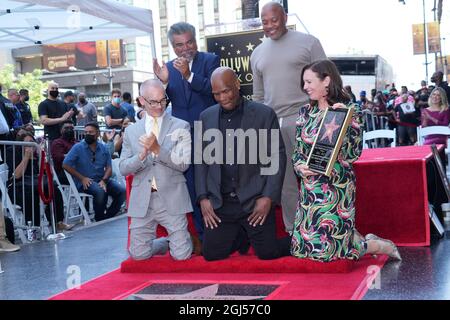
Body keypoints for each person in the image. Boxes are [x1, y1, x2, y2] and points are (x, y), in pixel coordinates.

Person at [292, 59, 401, 262]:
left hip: (336, 186)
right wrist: (299, 167)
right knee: (302, 250)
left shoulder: (349, 110)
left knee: (329, 253)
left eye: (308, 82)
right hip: (309, 187)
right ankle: (354, 237)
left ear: (326, 80)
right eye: (304, 83)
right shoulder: (305, 113)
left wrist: (347, 123)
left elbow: (353, 155)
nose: (305, 87)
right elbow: (297, 152)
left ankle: (375, 245)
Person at [195, 67, 291, 261]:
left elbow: (277, 158)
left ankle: (302, 240)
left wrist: (267, 198)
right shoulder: (206, 117)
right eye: (216, 94)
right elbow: (200, 161)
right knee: (212, 254)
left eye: (226, 91)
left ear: (238, 85)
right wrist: (203, 198)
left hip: (254, 200)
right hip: (221, 203)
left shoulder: (264, 114)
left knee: (268, 253)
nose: (222, 98)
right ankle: (243, 236)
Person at [250, 2, 327, 234]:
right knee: (283, 183)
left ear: (284, 17)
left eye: (274, 20)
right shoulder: (257, 53)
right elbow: (258, 95)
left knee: (314, 176)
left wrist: (322, 115)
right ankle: (295, 232)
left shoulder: (308, 42)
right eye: (265, 22)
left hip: (306, 118)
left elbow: (327, 79)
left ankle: (322, 227)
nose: (270, 25)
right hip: (273, 123)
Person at [153, 22, 220, 245]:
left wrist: (189, 75)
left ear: (195, 40)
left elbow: (213, 89)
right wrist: (162, 83)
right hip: (183, 138)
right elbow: (162, 103)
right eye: (179, 45)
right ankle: (203, 237)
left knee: (216, 182)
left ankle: (224, 233)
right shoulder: (168, 69)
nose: (185, 48)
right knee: (192, 186)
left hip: (211, 133)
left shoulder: (211, 60)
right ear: (173, 47)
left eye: (189, 42)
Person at [119, 79, 193, 261]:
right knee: (138, 256)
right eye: (153, 101)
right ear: (141, 100)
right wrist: (141, 156)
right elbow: (122, 168)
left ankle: (182, 241)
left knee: (182, 256)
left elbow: (183, 164)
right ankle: (164, 243)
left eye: (163, 100)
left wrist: (158, 149)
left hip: (171, 195)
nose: (160, 106)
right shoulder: (131, 131)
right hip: (142, 199)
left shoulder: (180, 126)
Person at [5, 131, 71, 231]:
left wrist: (41, 156)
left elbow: (45, 174)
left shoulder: (37, 155)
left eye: (32, 142)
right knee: (31, 196)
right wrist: (26, 157)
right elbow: (17, 176)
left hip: (36, 185)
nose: (30, 146)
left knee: (54, 189)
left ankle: (58, 222)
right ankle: (33, 228)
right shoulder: (14, 154)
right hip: (18, 188)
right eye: (27, 143)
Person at [63, 122, 126, 222]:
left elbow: (109, 168)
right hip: (84, 181)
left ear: (97, 133)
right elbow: (65, 164)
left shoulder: (103, 148)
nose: (87, 134)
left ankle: (107, 218)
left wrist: (104, 180)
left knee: (122, 191)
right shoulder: (78, 147)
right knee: (100, 191)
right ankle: (100, 219)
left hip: (101, 179)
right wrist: (82, 178)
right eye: (86, 132)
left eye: (91, 132)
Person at [50, 120, 77, 184]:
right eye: (66, 128)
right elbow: (59, 158)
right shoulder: (57, 142)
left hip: (78, 172)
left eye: (71, 128)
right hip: (64, 174)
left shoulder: (77, 142)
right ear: (61, 130)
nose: (69, 130)